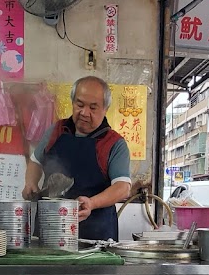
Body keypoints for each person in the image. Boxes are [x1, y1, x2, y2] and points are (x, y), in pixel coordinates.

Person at [24, 76, 131, 241]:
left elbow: (122, 187)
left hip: (95, 237)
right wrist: (30, 183)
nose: (84, 113)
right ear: (72, 102)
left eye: (93, 108)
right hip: (50, 230)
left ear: (105, 109)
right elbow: (35, 162)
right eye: (79, 105)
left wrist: (92, 203)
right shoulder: (56, 130)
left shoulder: (114, 143)